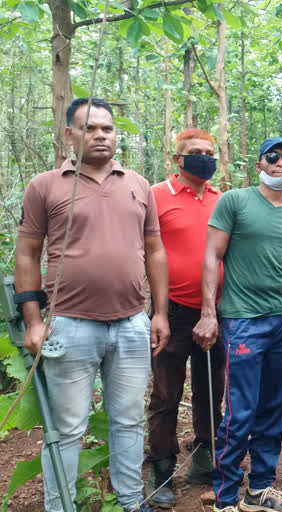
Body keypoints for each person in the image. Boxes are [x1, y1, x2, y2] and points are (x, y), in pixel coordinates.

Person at [14, 97, 169, 512]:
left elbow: (154, 249)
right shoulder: (45, 185)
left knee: (129, 420)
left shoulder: (137, 183)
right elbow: (28, 252)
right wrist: (33, 320)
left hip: (132, 323)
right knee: (66, 428)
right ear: (70, 135)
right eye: (90, 128)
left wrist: (160, 313)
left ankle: (132, 502)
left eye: (108, 128)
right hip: (69, 324)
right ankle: (60, 506)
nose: (101, 135)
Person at [193, 137, 282, 512]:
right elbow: (212, 255)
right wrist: (208, 312)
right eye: (273, 157)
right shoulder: (235, 201)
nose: (281, 163)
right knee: (240, 408)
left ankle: (260, 488)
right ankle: (225, 498)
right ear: (260, 164)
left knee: (276, 404)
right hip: (243, 320)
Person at [146, 128, 226, 507]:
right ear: (178, 159)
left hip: (217, 309)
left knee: (212, 387)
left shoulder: (221, 200)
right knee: (166, 392)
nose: (204, 157)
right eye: (195, 152)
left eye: (210, 152)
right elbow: (144, 250)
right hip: (172, 311)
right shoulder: (156, 196)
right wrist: (156, 311)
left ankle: (204, 455)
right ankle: (162, 467)